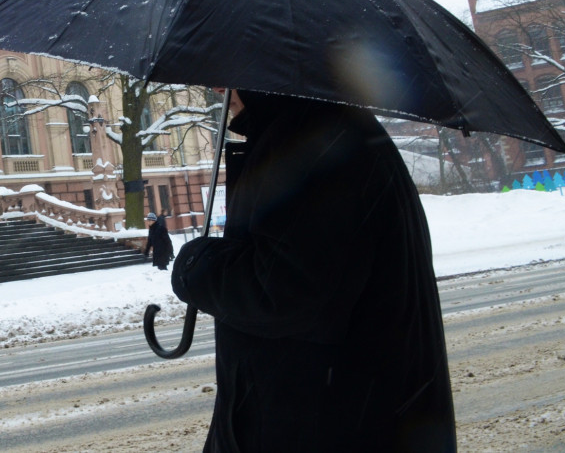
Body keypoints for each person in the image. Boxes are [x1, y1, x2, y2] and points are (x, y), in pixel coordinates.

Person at [171, 90, 455, 453]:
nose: (216, 88)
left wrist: (194, 266)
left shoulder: (310, 141)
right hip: (341, 416)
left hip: (330, 423)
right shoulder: (323, 131)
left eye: (225, 76)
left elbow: (282, 292)